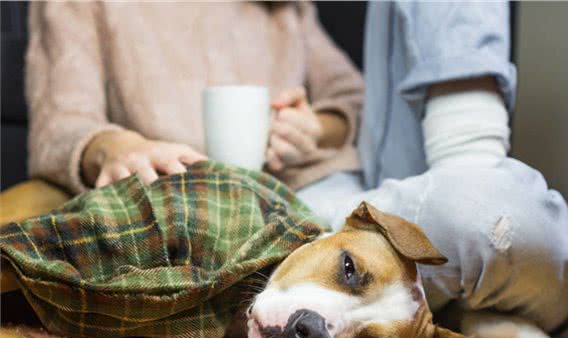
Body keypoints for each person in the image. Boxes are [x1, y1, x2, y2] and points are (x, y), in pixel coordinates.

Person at [297, 2, 568, 338]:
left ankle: (474, 180)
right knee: (477, 217)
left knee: (480, 214)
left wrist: (314, 126)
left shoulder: (284, 13)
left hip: (362, 171)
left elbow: (347, 97)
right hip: (294, 194)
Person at [26, 2, 362, 195]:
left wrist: (313, 129)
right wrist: (117, 147)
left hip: (308, 186)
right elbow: (59, 127)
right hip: (183, 202)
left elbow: (356, 98)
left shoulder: (287, 8)